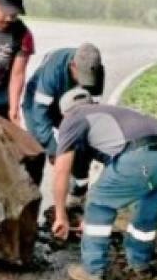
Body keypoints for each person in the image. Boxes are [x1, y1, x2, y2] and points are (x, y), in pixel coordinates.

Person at [52, 88, 157, 280]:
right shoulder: (114, 112)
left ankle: (92, 270)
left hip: (142, 158)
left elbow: (61, 171)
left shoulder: (73, 118)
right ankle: (140, 262)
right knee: (149, 206)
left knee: (98, 203)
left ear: (65, 113)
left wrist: (61, 215)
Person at [22, 44, 104, 194]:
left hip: (71, 102)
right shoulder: (53, 71)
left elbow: (91, 112)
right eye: (81, 77)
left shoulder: (97, 70)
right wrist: (54, 151)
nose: (82, 84)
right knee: (37, 145)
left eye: (87, 81)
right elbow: (40, 115)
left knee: (81, 139)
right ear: (72, 65)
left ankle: (79, 189)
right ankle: (31, 193)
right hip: (38, 102)